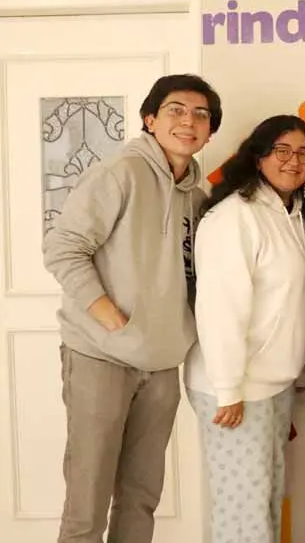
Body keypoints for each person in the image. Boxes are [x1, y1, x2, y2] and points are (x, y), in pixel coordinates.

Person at [43, 74, 221, 543]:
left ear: (209, 131)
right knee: (87, 504)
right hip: (100, 356)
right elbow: (63, 247)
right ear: (150, 118)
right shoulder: (120, 172)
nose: (189, 121)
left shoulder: (198, 199)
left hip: (161, 367)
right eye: (176, 110)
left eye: (201, 115)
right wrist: (108, 314)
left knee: (140, 500)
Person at [185, 115, 305, 543]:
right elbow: (220, 309)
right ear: (258, 157)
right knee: (243, 515)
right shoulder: (235, 217)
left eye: (304, 153)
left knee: (264, 500)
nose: (293, 161)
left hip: (274, 386)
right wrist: (228, 388)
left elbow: (294, 306)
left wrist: (296, 378)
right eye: (281, 151)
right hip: (233, 387)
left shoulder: (296, 219)